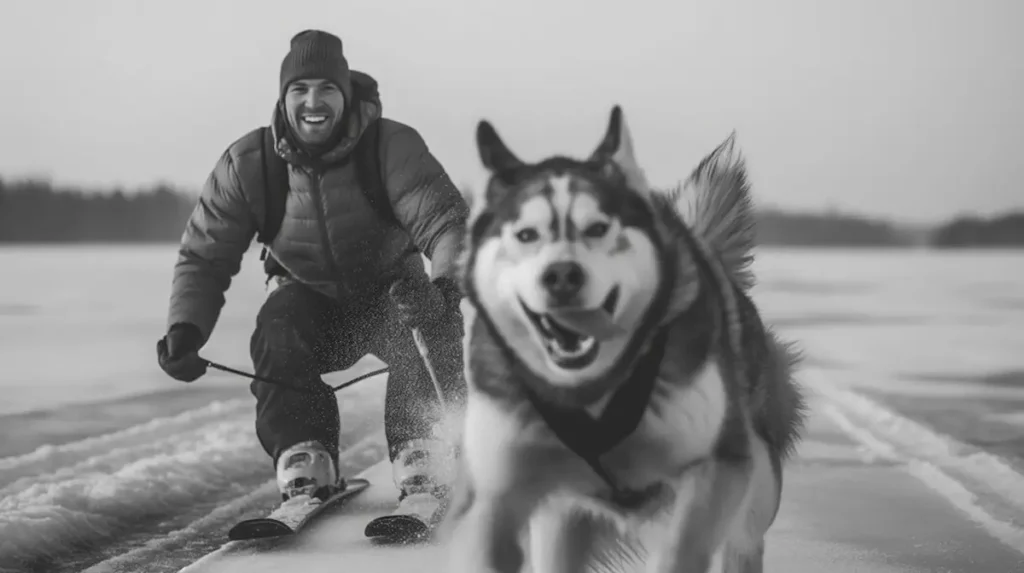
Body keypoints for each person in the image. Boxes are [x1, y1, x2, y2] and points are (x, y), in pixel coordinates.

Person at [155, 29, 469, 521]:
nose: (312, 102)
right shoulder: (248, 164)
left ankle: (425, 455)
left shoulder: (391, 147)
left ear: (346, 95)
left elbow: (448, 223)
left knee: (426, 315)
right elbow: (204, 256)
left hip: (392, 295)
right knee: (278, 324)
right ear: (283, 98)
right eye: (299, 90)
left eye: (326, 89)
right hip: (312, 308)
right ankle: (307, 462)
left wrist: (444, 291)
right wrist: (186, 329)